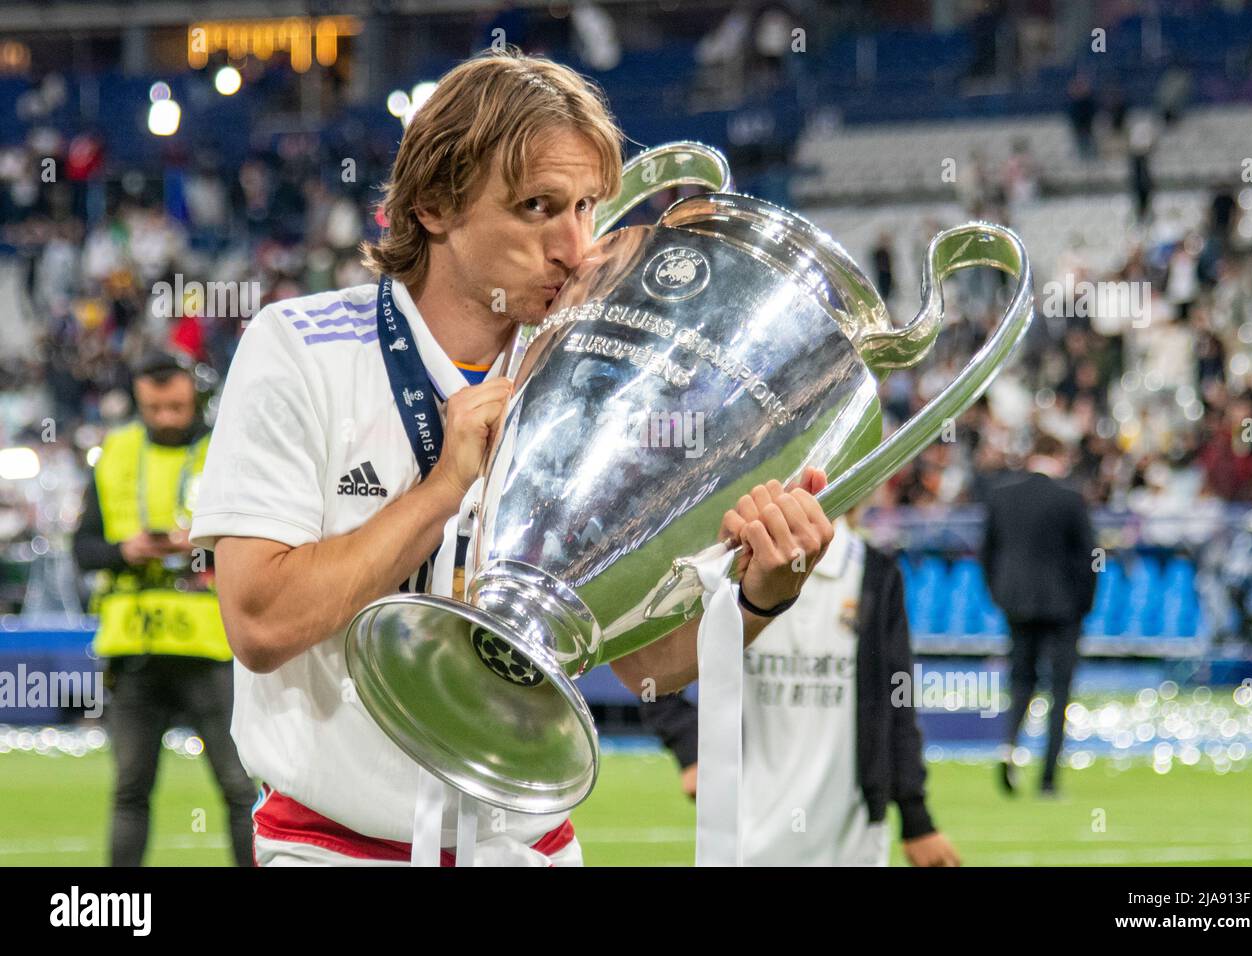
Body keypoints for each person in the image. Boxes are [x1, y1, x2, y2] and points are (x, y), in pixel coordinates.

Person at [189, 49, 834, 867]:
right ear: (430, 206)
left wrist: (759, 597)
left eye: (587, 208)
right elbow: (260, 622)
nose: (575, 247)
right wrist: (440, 489)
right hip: (332, 851)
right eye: (537, 208)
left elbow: (638, 663)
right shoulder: (301, 348)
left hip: (529, 847)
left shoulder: (600, 375)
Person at [641, 515, 960, 867]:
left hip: (850, 835)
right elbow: (650, 667)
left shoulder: (875, 572)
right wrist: (691, 748)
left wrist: (916, 820)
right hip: (747, 829)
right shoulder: (730, 563)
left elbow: (897, 700)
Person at [73, 350, 255, 867]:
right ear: (139, 401)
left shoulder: (227, 449)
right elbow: (82, 549)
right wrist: (125, 551)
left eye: (176, 406)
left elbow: (261, 545)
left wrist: (197, 548)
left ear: (193, 396)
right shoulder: (116, 451)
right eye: (155, 408)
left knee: (240, 791)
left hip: (211, 646)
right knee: (130, 791)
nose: (167, 418)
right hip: (136, 650)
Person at [981, 435, 1096, 797]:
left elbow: (987, 554)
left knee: (1020, 684)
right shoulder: (1070, 498)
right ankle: (1048, 779)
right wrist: (1084, 604)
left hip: (1016, 603)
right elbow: (1088, 559)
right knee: (1059, 690)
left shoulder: (1001, 496)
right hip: (1063, 607)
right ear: (1059, 455)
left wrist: (1000, 595)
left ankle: (1009, 750)